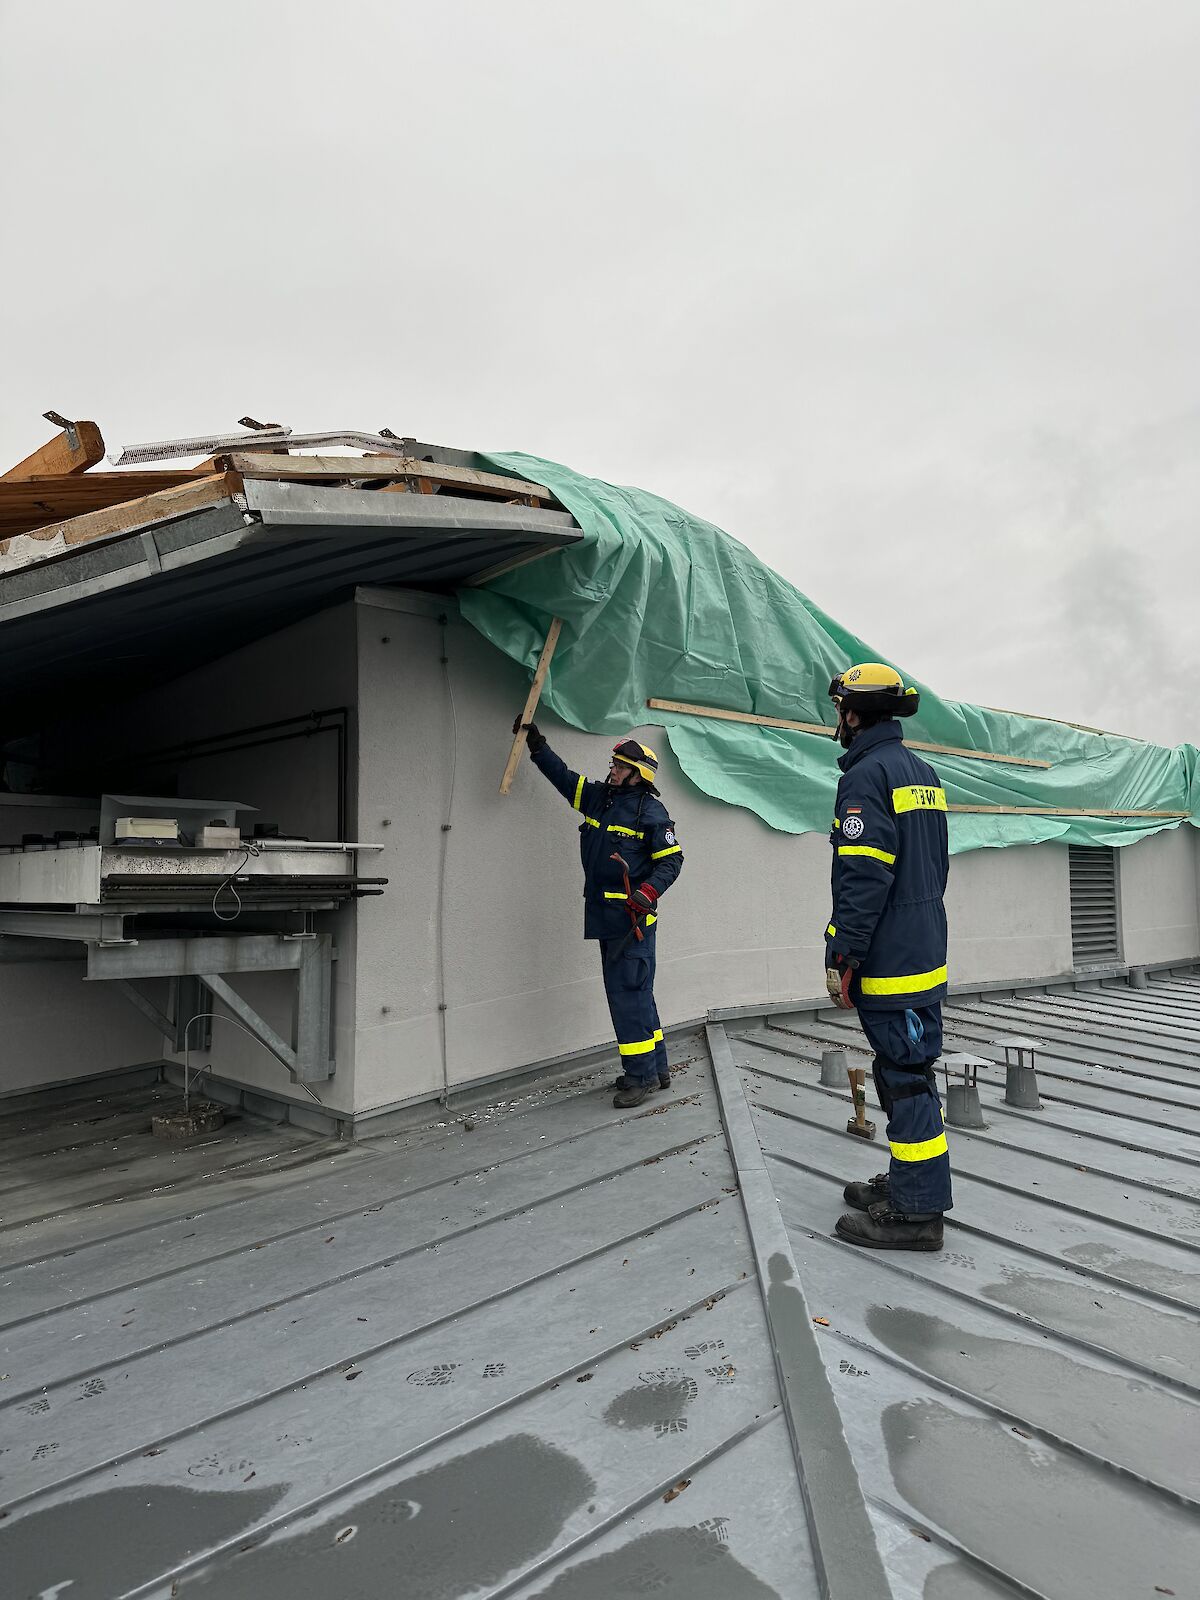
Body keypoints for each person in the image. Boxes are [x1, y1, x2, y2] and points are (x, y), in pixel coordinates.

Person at [822, 662, 952, 1251]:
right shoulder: (921, 772)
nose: (839, 723)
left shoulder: (866, 776)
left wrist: (842, 951)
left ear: (853, 713)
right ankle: (908, 1181)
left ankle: (917, 1212)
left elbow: (864, 875)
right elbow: (936, 866)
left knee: (904, 1080)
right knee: (905, 1071)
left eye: (840, 712)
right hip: (922, 949)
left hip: (890, 960)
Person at [513, 720, 684, 1108]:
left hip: (631, 922)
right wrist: (537, 746)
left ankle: (638, 1077)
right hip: (607, 919)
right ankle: (657, 1069)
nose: (612, 771)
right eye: (613, 764)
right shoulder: (599, 799)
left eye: (620, 767)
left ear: (637, 775)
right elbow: (563, 777)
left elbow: (672, 863)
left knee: (628, 996)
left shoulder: (651, 813)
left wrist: (646, 892)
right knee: (637, 994)